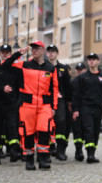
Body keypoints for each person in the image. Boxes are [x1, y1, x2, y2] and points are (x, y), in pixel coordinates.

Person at [5, 41, 59, 170]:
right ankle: (29, 159)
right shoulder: (24, 65)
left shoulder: (51, 68)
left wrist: (54, 107)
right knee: (28, 133)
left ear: (43, 51)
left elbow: (55, 89)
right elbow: (4, 65)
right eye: (32, 48)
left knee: (44, 132)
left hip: (44, 105)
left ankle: (42, 159)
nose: (34, 50)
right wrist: (17, 54)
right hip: (27, 105)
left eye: (37, 48)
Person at [72, 53, 102, 164]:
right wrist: (76, 109)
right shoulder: (82, 77)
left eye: (93, 59)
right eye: (89, 60)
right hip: (85, 108)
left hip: (98, 107)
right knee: (89, 129)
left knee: (96, 130)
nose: (91, 61)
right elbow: (76, 95)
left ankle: (93, 151)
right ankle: (90, 154)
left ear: (98, 61)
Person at [46, 45, 73, 161]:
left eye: (53, 52)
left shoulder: (63, 68)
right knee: (46, 125)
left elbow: (68, 87)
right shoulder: (43, 67)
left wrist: (69, 102)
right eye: (49, 52)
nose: (51, 54)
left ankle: (60, 150)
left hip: (60, 100)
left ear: (57, 53)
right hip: (46, 99)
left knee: (61, 123)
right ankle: (47, 149)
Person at [71, 62, 86, 160]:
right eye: (77, 70)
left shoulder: (88, 80)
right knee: (77, 131)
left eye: (81, 69)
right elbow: (73, 97)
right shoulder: (74, 81)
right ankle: (78, 150)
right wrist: (75, 109)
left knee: (85, 131)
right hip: (76, 109)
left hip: (86, 109)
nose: (79, 71)